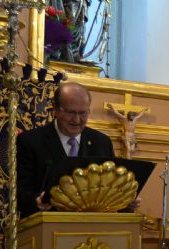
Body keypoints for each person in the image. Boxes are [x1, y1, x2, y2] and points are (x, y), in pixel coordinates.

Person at [17, 82, 115, 217]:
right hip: (46, 226)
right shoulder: (30, 141)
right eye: (70, 112)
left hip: (91, 226)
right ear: (55, 109)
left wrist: (126, 202)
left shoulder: (102, 143)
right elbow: (18, 192)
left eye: (83, 113)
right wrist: (36, 200)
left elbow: (109, 188)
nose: (76, 120)